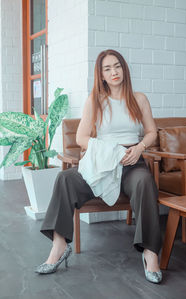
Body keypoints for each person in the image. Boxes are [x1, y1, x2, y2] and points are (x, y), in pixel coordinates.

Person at [36, 49, 162, 284]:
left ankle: (150, 252)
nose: (114, 72)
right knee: (65, 178)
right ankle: (59, 245)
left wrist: (139, 148)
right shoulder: (95, 100)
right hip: (103, 162)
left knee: (145, 181)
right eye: (107, 69)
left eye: (117, 66)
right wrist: (110, 151)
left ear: (124, 69)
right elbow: (82, 138)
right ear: (101, 75)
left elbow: (152, 131)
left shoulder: (140, 99)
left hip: (132, 162)